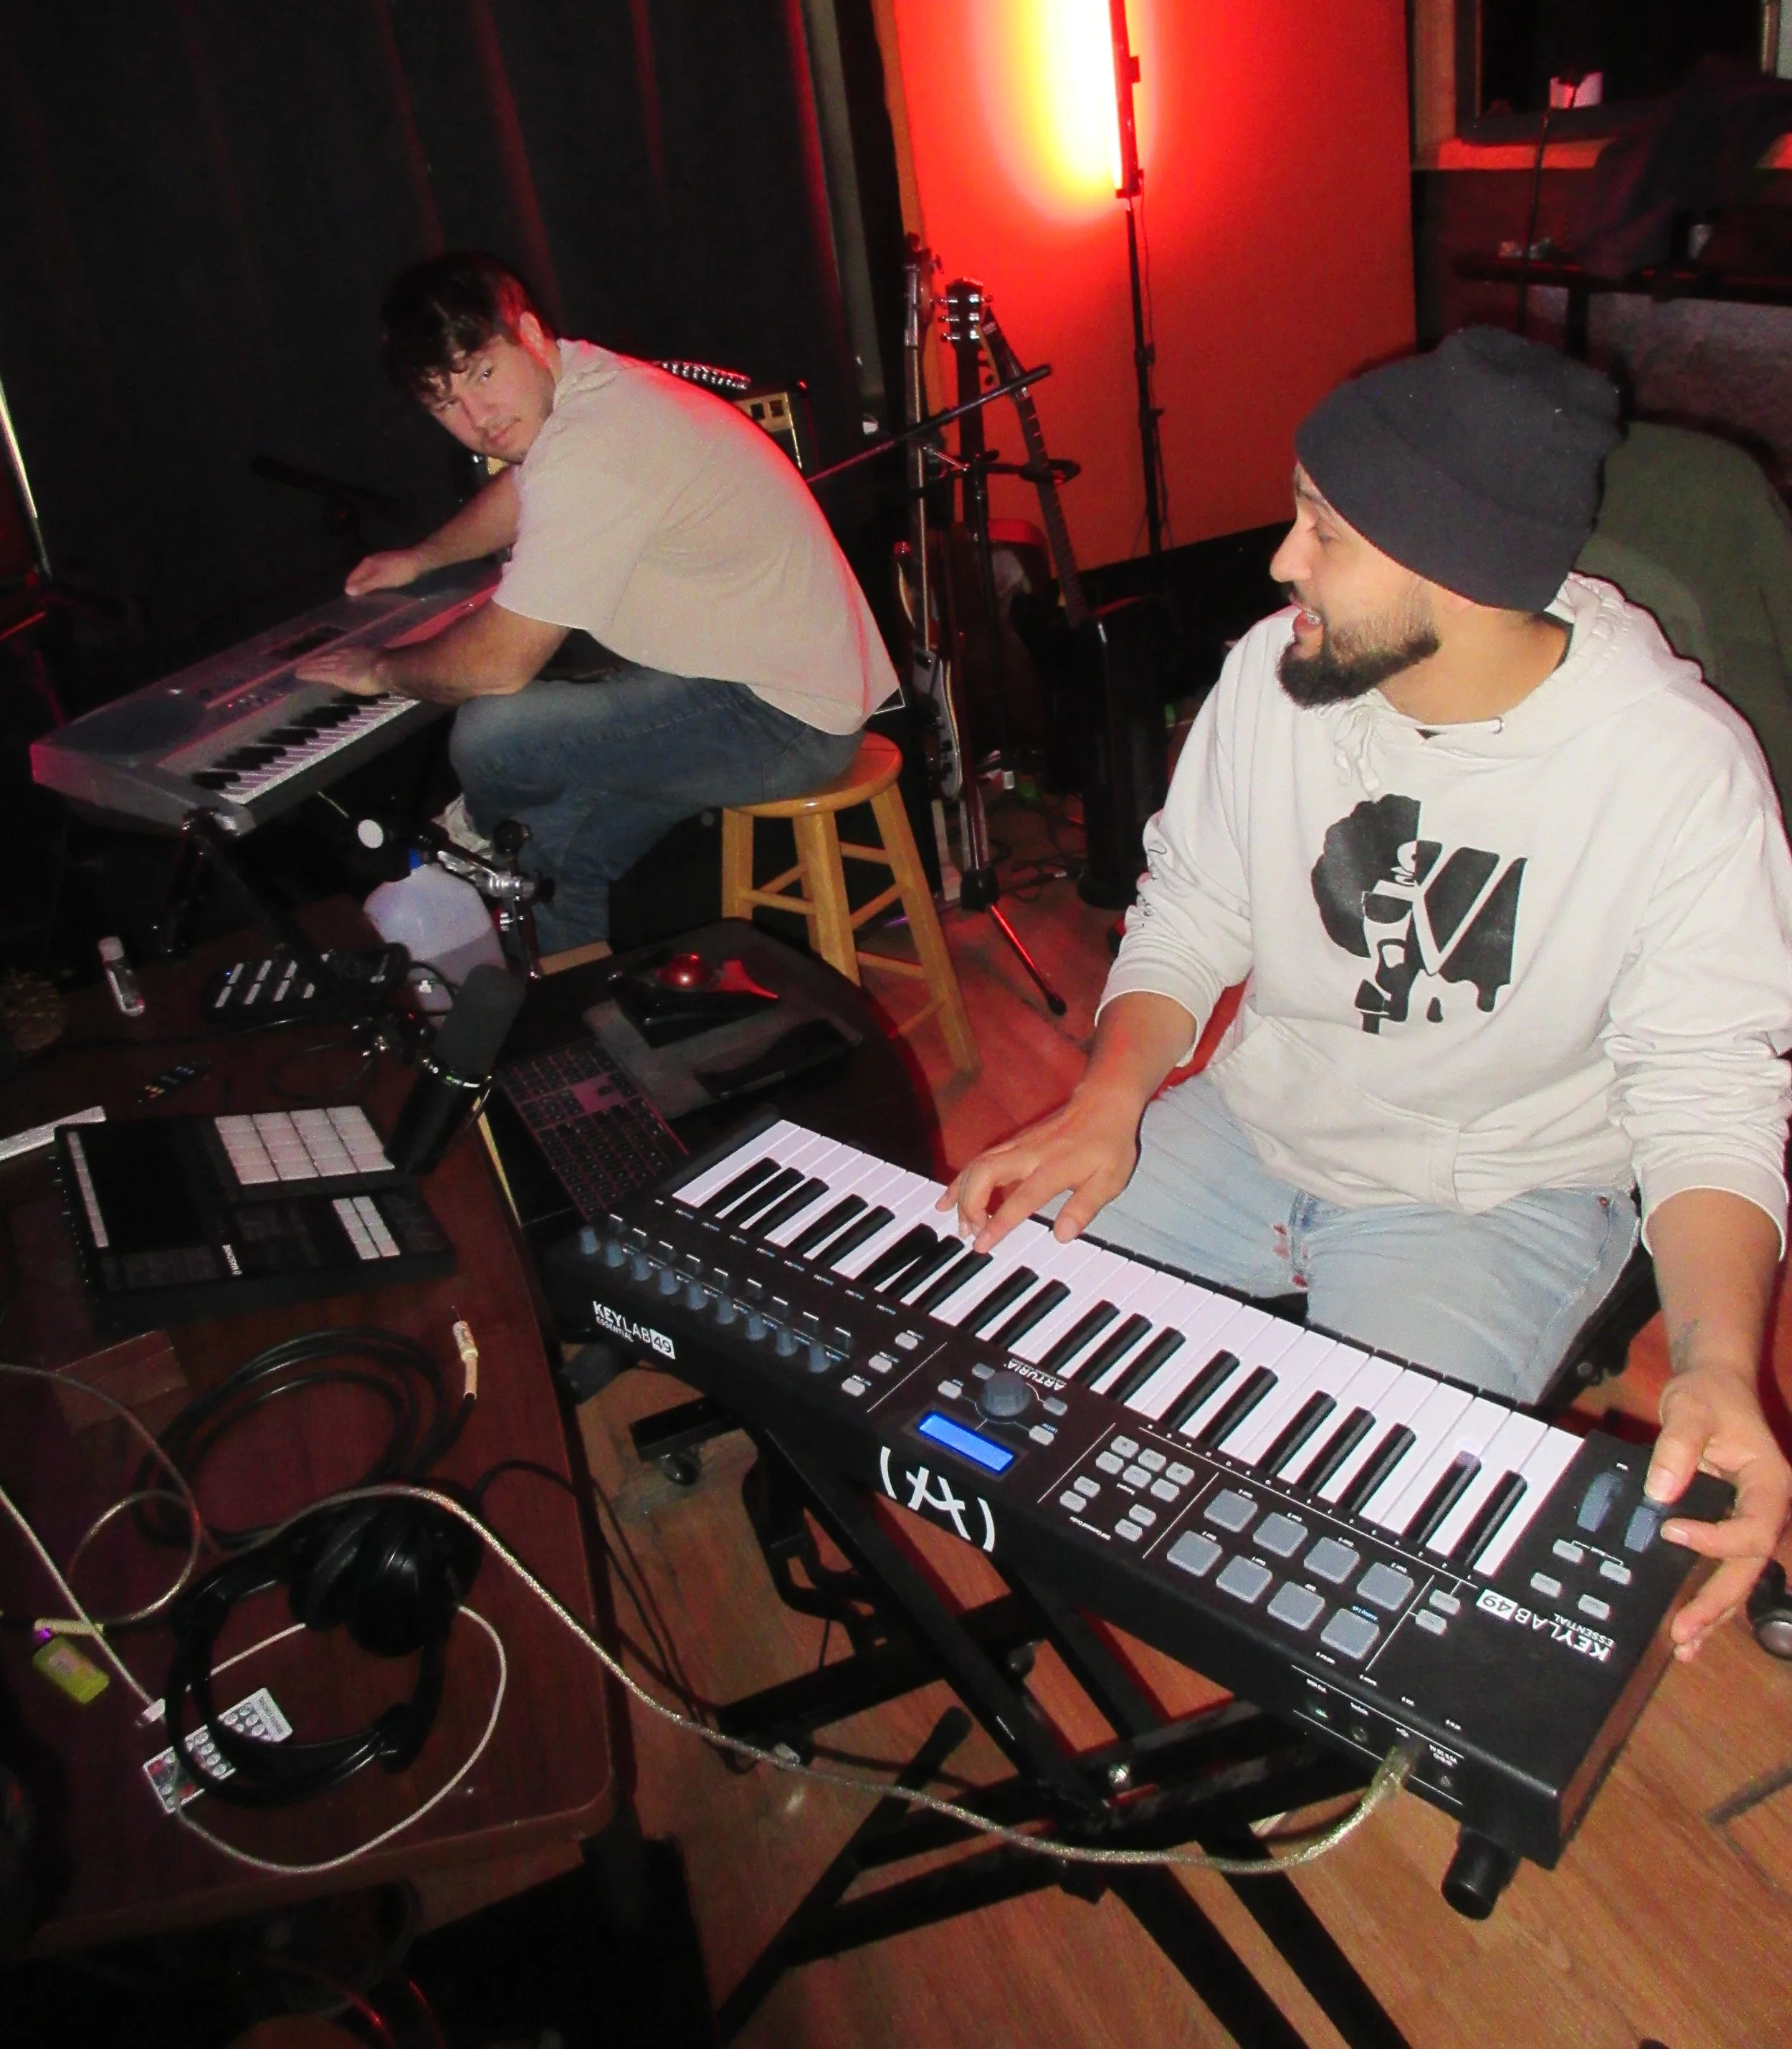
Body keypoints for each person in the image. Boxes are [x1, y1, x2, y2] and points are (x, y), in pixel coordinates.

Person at [946, 327, 1792, 1658]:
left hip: (1494, 1193)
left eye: (1324, 531)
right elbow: (1195, 906)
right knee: (973, 1356)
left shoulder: (1676, 774)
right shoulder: (1273, 675)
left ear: (1455, 572)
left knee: (1324, 1586)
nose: (1284, 562)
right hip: (1256, 1122)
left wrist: (1720, 1362)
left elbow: (1710, 1095)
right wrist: (1110, 1098)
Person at [295, 252, 897, 953]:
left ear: (526, 333)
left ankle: (474, 838)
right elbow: (525, 488)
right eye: (445, 404)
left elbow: (498, 667)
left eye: (482, 375)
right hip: (766, 685)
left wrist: (379, 670)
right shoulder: (583, 382)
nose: (477, 417)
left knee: (492, 735)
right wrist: (425, 556)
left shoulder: (597, 441)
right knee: (549, 851)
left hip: (780, 717)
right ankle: (574, 1027)